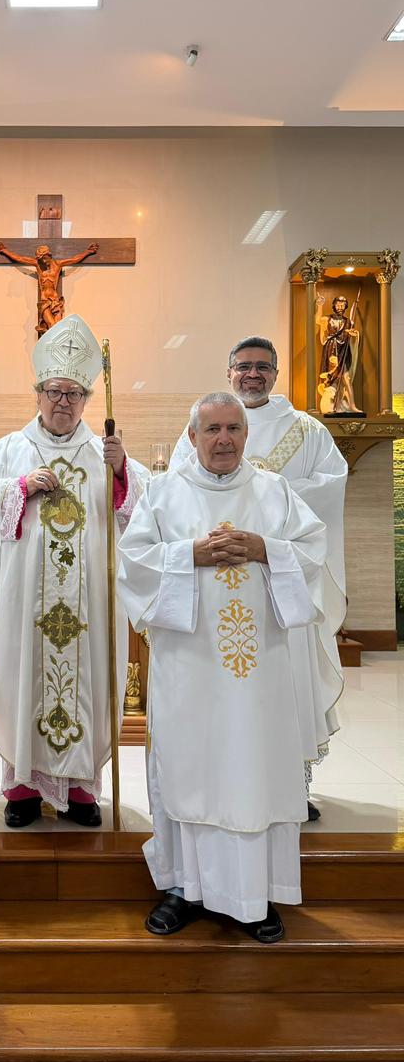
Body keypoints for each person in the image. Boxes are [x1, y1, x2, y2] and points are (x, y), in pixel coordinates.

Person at [118, 393, 330, 944]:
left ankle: (253, 896)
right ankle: (182, 887)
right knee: (189, 770)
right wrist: (191, 553)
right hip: (189, 670)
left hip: (259, 676)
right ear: (192, 436)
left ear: (246, 434)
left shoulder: (274, 491)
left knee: (253, 770)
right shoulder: (164, 494)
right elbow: (133, 563)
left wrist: (265, 548)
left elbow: (312, 551)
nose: (223, 439)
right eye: (212, 429)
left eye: (233, 428)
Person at [0, 315, 148, 828]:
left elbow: (137, 518)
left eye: (75, 393)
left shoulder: (106, 454)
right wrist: (19, 488)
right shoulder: (7, 452)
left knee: (87, 682)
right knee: (21, 674)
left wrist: (122, 475)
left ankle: (81, 790)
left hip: (88, 607)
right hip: (21, 601)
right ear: (38, 393)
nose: (64, 402)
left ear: (88, 400)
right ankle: (23, 788)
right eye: (55, 391)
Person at [169, 336, 346, 821]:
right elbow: (181, 494)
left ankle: (291, 784)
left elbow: (331, 489)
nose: (253, 374)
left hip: (279, 592)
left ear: (276, 373)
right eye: (244, 366)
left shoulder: (306, 430)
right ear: (228, 372)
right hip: (213, 598)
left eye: (263, 367)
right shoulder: (205, 418)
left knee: (286, 686)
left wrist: (272, 501)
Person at [0, 240, 99, 333]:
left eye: (44, 258)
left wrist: (88, 252)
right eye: (40, 259)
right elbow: (20, 258)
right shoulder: (37, 264)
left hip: (55, 302)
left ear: (48, 255)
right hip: (44, 302)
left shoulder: (58, 264)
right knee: (52, 325)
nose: (42, 261)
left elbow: (74, 259)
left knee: (58, 327)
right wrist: (4, 250)